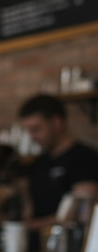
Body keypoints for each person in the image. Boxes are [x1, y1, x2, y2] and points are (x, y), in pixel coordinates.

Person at [19, 94, 98, 230]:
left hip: (67, 247)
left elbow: (82, 212)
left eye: (36, 129)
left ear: (57, 123)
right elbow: (28, 209)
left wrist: (32, 225)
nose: (32, 137)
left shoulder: (84, 158)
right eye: (29, 131)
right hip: (33, 249)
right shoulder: (38, 163)